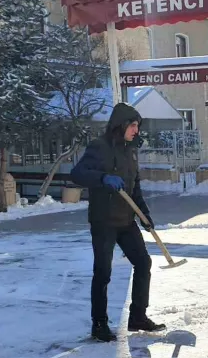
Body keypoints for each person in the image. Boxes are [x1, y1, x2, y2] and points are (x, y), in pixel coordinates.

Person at [70, 102, 165, 342]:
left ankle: (138, 316)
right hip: (104, 221)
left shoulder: (130, 151)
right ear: (120, 125)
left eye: (138, 126)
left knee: (143, 263)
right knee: (103, 272)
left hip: (126, 220)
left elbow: (136, 188)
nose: (137, 131)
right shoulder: (99, 147)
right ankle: (99, 324)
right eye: (133, 126)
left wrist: (145, 216)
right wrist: (102, 177)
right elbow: (77, 174)